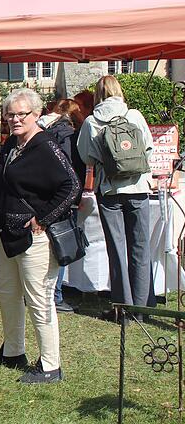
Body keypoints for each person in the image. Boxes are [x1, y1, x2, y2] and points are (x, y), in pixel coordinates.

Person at [0, 88, 80, 384]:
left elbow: (71, 186)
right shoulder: (12, 144)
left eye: (21, 113)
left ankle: (51, 365)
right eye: (10, 114)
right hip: (6, 232)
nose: (14, 119)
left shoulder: (45, 147)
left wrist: (44, 219)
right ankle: (13, 352)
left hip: (34, 238)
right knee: (8, 295)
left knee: (39, 300)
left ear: (37, 114)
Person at [77, 75, 155, 322]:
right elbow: (148, 148)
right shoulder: (135, 116)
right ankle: (142, 309)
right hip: (138, 188)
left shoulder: (91, 121)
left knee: (117, 250)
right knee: (141, 249)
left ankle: (123, 308)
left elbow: (86, 157)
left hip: (110, 191)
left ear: (97, 95)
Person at [38, 99, 87, 314]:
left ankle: (45, 294)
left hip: (42, 196)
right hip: (62, 198)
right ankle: (55, 296)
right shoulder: (69, 134)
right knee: (61, 244)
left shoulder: (41, 130)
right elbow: (72, 172)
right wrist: (75, 197)